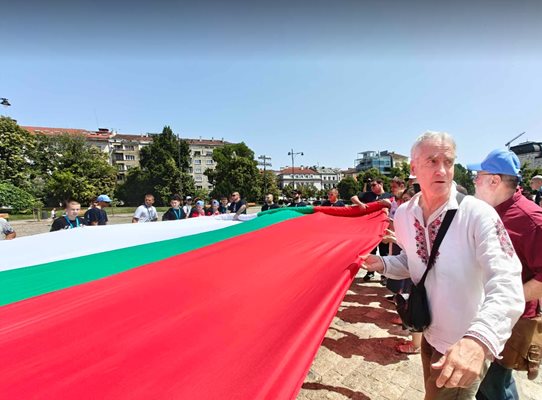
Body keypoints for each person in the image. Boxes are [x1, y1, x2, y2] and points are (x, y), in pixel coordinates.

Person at [361, 131, 524, 399]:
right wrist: (379, 262)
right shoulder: (404, 214)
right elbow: (412, 261)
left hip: (462, 343)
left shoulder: (477, 213)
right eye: (432, 161)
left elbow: (506, 281)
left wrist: (478, 340)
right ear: (414, 168)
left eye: (448, 161)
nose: (442, 169)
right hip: (428, 332)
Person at [467, 149, 542, 400]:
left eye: (478, 175)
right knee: (488, 384)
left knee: (495, 386)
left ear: (494, 180)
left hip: (508, 318)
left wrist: (506, 298)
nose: (474, 180)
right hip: (484, 312)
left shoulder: (530, 219)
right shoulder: (487, 210)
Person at [351, 179, 394, 281]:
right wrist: (360, 203)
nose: (372, 187)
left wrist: (388, 204)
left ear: (381, 184)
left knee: (384, 251)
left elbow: (394, 207)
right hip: (370, 228)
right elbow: (353, 197)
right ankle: (370, 272)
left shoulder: (389, 195)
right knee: (370, 250)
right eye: (371, 185)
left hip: (383, 227)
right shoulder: (368, 195)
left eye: (374, 185)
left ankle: (385, 275)